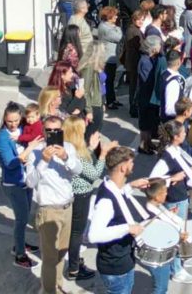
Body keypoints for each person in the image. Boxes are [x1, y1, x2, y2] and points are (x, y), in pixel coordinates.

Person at [25, 114, 83, 294]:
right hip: (48, 210)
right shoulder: (35, 153)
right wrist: (44, 161)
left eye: (56, 131)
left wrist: (66, 157)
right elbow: (30, 182)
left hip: (67, 207)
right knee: (50, 257)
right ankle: (49, 290)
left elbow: (78, 171)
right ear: (43, 131)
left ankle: (56, 285)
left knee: (61, 252)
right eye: (49, 130)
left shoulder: (69, 148)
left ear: (62, 131)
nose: (52, 134)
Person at [147, 121, 192, 284]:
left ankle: (186, 257)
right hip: (173, 200)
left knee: (184, 231)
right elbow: (153, 180)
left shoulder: (176, 150)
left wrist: (188, 172)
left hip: (181, 197)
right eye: (183, 132)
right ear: (176, 136)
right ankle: (176, 270)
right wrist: (173, 178)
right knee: (176, 235)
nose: (186, 134)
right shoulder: (166, 157)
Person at [87, 147, 151, 294]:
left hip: (121, 261)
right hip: (115, 266)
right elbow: (94, 235)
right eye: (131, 163)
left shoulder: (112, 185)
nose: (133, 165)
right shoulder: (106, 201)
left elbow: (118, 195)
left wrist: (131, 186)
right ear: (123, 167)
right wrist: (128, 228)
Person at [0, 102, 40, 269]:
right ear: (4, 121)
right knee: (21, 220)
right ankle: (20, 254)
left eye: (16, 121)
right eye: (9, 122)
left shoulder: (24, 129)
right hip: (13, 183)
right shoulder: (2, 138)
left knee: (25, 214)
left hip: (25, 180)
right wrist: (28, 152)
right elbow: (10, 163)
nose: (13, 124)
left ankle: (20, 243)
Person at [64, 117, 111, 282]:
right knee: (76, 232)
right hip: (81, 195)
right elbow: (94, 174)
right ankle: (74, 269)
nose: (86, 131)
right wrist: (103, 155)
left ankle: (74, 260)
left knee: (74, 231)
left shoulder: (71, 148)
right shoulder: (76, 153)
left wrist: (91, 148)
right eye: (83, 129)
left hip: (76, 194)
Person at [98, 7, 124, 109]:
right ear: (108, 16)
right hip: (107, 57)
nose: (116, 17)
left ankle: (113, 98)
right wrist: (118, 28)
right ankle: (109, 101)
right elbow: (119, 38)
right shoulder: (105, 28)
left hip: (111, 57)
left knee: (111, 79)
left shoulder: (109, 26)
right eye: (114, 15)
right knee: (108, 80)